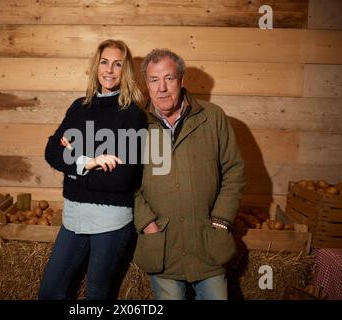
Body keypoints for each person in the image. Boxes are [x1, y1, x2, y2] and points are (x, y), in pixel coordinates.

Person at [39, 39, 147, 300]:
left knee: (97, 295)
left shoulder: (132, 115)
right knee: (50, 290)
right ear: (96, 66)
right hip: (74, 216)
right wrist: (88, 162)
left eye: (118, 64)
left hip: (110, 220)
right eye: (104, 62)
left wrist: (72, 163)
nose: (109, 70)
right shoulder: (79, 107)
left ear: (126, 71)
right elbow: (51, 151)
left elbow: (123, 178)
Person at [133, 48, 245, 300]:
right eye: (154, 80)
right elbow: (126, 182)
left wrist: (221, 220)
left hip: (208, 245)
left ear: (181, 80)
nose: (161, 88)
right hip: (162, 247)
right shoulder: (135, 124)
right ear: (146, 85)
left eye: (169, 78)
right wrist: (146, 223)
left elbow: (234, 171)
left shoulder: (212, 117)